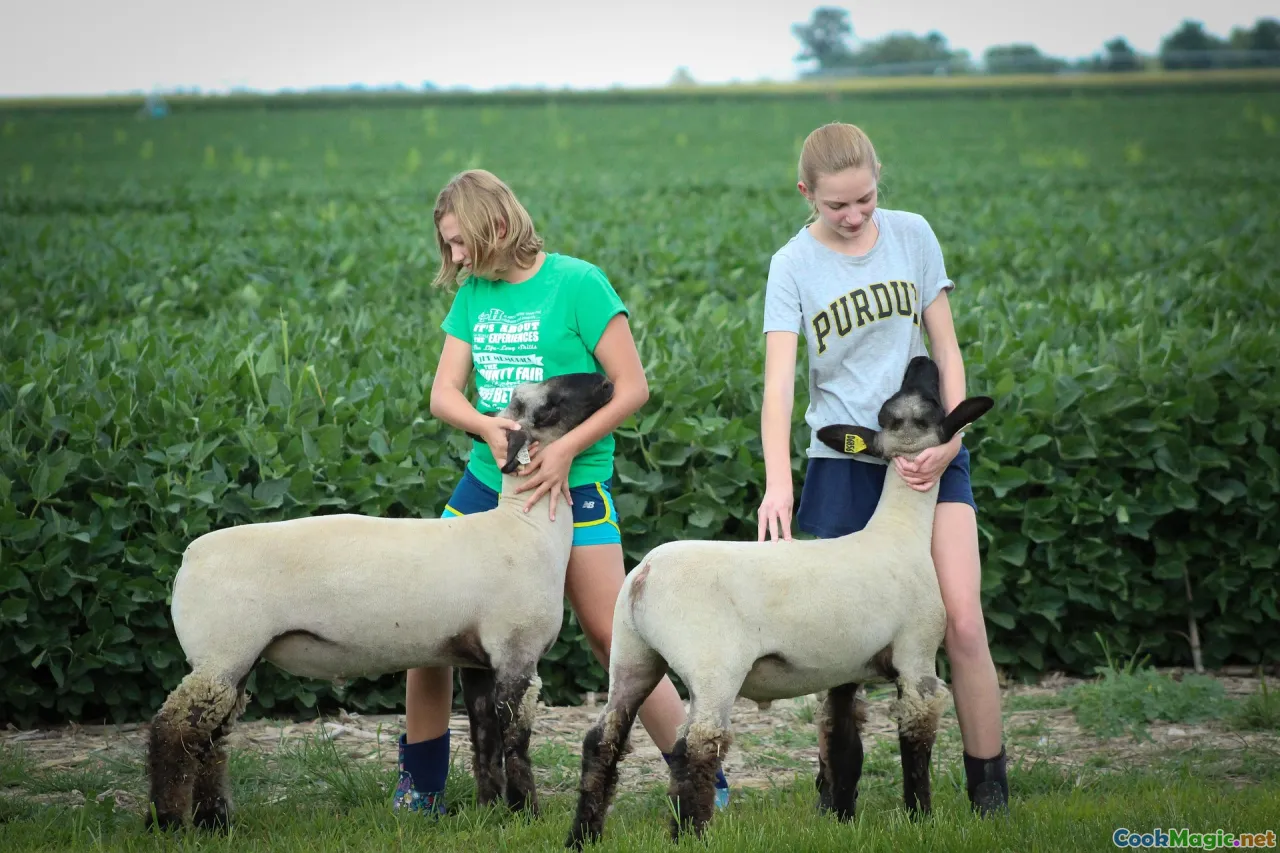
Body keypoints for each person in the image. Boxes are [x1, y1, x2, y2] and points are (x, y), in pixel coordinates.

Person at [395, 169, 729, 814]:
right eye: (449, 248)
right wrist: (485, 426)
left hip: (571, 485)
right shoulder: (473, 296)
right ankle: (421, 790)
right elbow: (442, 395)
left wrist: (568, 449)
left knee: (614, 632)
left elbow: (631, 387)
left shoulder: (578, 283)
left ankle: (699, 776)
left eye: (462, 242)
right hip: (486, 485)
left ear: (497, 222)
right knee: (424, 631)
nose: (456, 259)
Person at [755, 122, 1010, 815]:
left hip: (930, 453)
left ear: (877, 181)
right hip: (846, 461)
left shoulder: (912, 234)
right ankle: (834, 786)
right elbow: (779, 384)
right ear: (806, 193)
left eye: (864, 199)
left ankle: (991, 790)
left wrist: (953, 439)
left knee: (961, 621)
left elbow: (946, 346)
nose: (854, 214)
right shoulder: (793, 265)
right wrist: (780, 479)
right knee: (842, 640)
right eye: (836, 204)